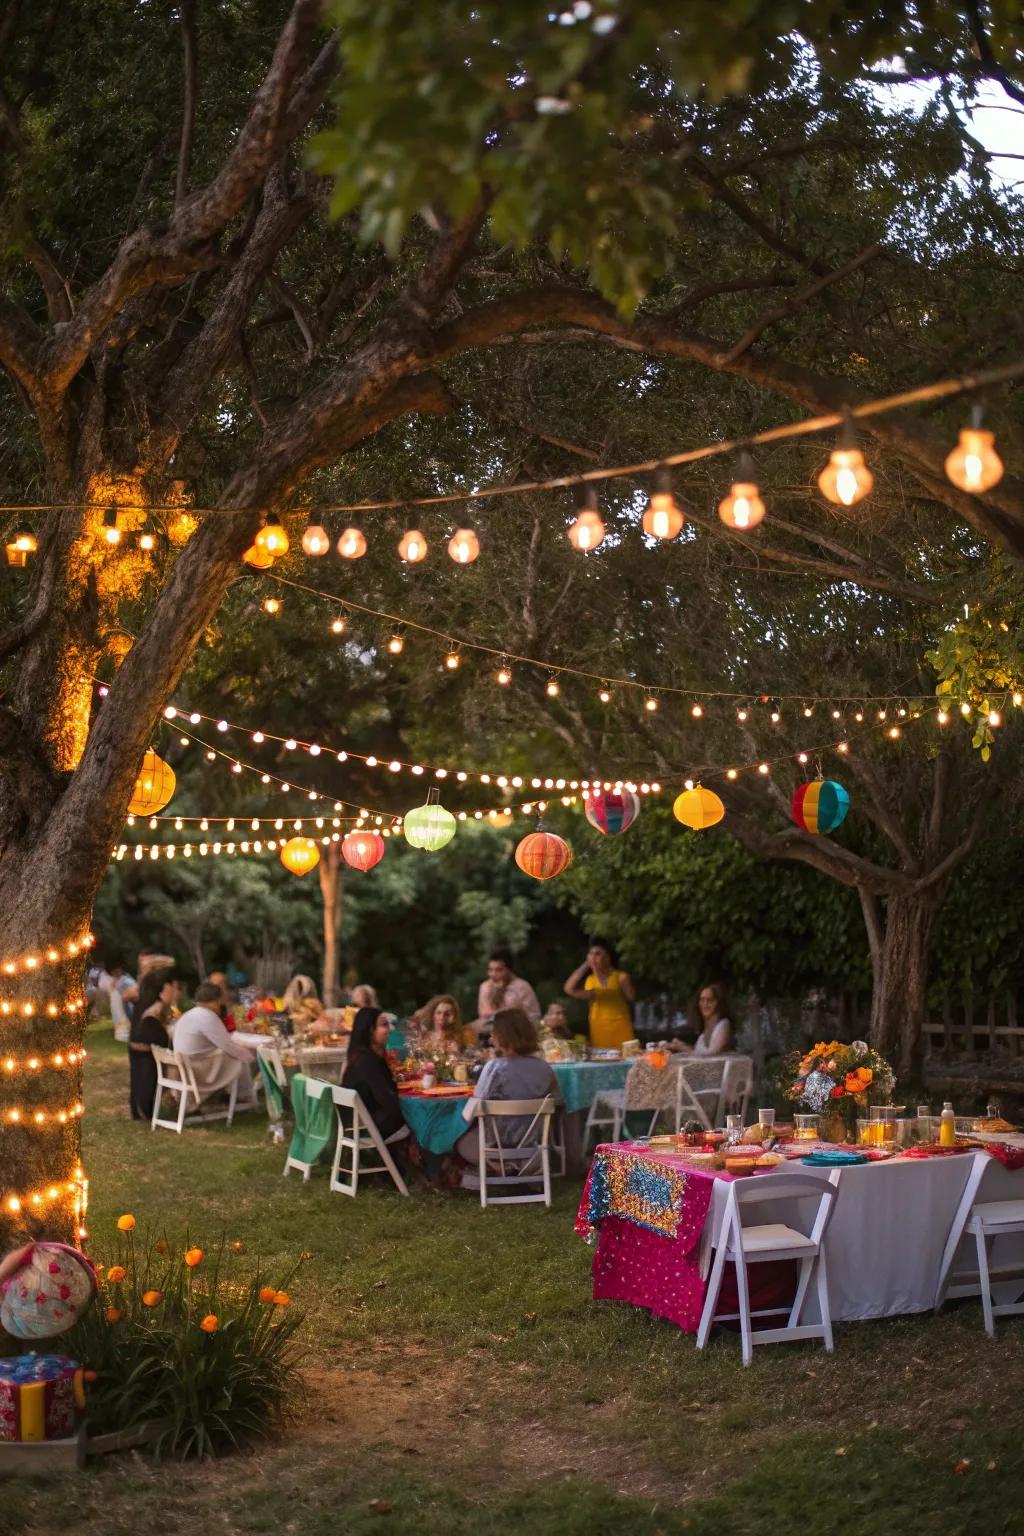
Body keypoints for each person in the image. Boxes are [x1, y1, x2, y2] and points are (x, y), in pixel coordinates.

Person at [455, 1009, 558, 1162]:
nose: (491, 1036)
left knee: (458, 1139)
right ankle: (519, 1167)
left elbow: (470, 1112)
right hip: (534, 1147)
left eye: (494, 1032)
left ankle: (499, 1167)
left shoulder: (494, 1068)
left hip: (496, 1146)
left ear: (503, 1035)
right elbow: (557, 1104)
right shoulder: (545, 1068)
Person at [173, 982, 258, 1105]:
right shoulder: (207, 1017)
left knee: (233, 1055)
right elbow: (227, 1045)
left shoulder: (189, 1014)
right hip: (197, 1070)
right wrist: (250, 1057)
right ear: (214, 1001)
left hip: (186, 1067)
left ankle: (232, 1095)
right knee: (238, 1059)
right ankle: (244, 1096)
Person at [340, 1006, 408, 1143]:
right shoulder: (368, 1062)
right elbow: (391, 1104)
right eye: (384, 1025)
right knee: (424, 1120)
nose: (390, 1029)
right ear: (370, 1030)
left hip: (358, 1124)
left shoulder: (359, 1056)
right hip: (369, 1129)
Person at [128, 965, 180, 1121]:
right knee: (146, 1078)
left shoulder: (146, 1001)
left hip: (139, 1048)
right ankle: (146, 1110)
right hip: (146, 1049)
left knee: (140, 1078)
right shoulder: (154, 1008)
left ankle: (140, 1110)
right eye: (174, 987)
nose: (176, 991)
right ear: (166, 987)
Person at [563, 941, 635, 1050]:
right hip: (599, 1029)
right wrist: (586, 965)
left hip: (620, 1027)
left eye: (597, 954)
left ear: (607, 957)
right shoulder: (591, 980)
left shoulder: (621, 977)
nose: (593, 957)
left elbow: (631, 998)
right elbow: (569, 989)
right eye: (590, 954)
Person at [473, 949, 540, 1031]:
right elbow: (484, 1014)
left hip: (519, 1030)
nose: (493, 974)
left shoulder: (522, 987)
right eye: (490, 970)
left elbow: (533, 1016)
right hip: (491, 1028)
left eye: (499, 970)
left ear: (509, 970)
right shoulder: (485, 986)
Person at [690, 982, 733, 1054]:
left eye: (709, 1000)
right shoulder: (703, 1032)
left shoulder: (724, 1025)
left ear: (718, 1003)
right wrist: (676, 1046)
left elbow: (711, 1056)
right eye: (702, 1000)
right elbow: (697, 1054)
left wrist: (682, 1047)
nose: (705, 1004)